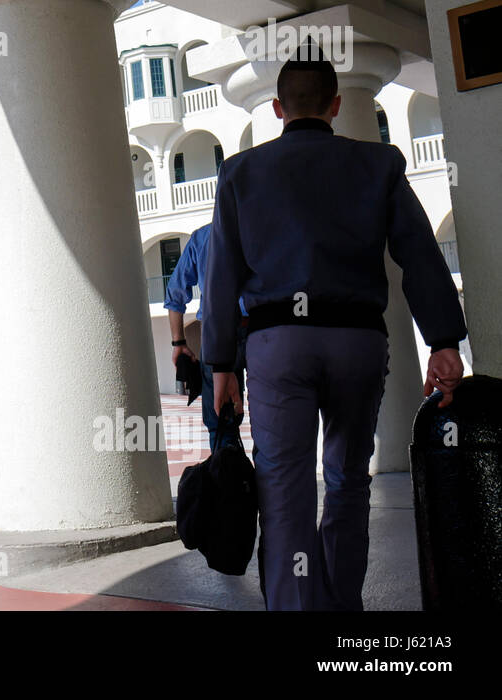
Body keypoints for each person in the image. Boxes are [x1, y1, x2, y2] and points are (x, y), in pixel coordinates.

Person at [202, 43, 467, 611]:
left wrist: (220, 365)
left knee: (283, 489)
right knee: (348, 479)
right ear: (336, 105)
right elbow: (419, 253)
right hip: (357, 341)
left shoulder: (239, 172)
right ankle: (342, 609)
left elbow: (220, 274)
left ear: (277, 109)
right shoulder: (380, 163)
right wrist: (443, 340)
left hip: (277, 346)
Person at [164, 223, 246, 451]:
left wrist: (179, 342)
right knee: (271, 419)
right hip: (261, 328)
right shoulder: (260, 227)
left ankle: (231, 483)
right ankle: (267, 486)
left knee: (220, 423)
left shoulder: (202, 238)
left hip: (217, 332)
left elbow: (174, 293)